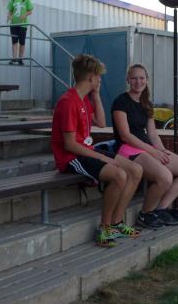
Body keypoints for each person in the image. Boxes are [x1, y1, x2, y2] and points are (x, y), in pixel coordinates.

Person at [51, 54, 143, 247]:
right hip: (71, 158)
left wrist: (96, 94)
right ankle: (104, 228)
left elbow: (101, 122)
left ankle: (116, 223)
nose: (100, 79)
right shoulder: (68, 101)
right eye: (98, 76)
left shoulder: (83, 98)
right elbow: (70, 145)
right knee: (119, 175)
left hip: (85, 151)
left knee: (135, 170)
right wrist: (102, 158)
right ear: (91, 77)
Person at [111, 64, 178, 230]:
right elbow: (125, 135)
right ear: (128, 80)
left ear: (147, 80)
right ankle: (145, 214)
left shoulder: (147, 104)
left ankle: (160, 210)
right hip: (127, 149)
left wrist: (161, 151)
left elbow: (152, 134)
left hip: (147, 148)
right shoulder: (120, 102)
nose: (138, 82)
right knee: (165, 177)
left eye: (141, 78)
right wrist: (153, 152)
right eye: (134, 78)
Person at [6, 0, 33, 65]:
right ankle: (14, 58)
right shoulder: (12, 0)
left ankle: (20, 59)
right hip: (13, 24)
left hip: (23, 25)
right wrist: (9, 16)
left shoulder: (26, 0)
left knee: (22, 42)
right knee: (14, 41)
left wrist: (25, 14)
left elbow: (30, 11)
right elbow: (10, 11)